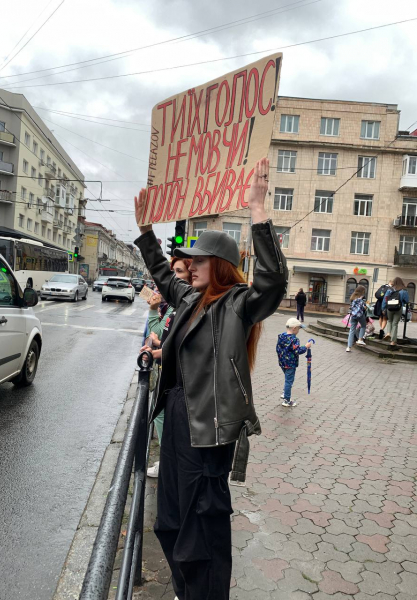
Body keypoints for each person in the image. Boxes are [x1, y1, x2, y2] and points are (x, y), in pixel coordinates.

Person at [134, 158, 287, 600]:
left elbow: (274, 280)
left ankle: (204, 594)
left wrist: (258, 210)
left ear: (220, 264)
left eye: (199, 260)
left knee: (203, 529)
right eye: (190, 259)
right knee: (169, 522)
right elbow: (164, 276)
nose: (190, 265)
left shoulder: (238, 304)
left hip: (209, 431)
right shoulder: (190, 299)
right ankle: (187, 590)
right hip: (180, 417)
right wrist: (146, 231)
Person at [146, 257, 192, 478]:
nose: (173, 277)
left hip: (176, 376)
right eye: (172, 271)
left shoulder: (185, 306)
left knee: (163, 416)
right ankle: (167, 462)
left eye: (179, 271)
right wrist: (159, 345)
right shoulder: (176, 305)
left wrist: (161, 350)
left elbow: (183, 344)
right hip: (169, 372)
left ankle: (167, 463)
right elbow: (165, 337)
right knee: (161, 416)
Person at [276, 317, 311, 407]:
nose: (299, 331)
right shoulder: (294, 339)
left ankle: (285, 393)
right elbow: (298, 351)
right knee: (289, 381)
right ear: (294, 328)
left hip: (282, 363)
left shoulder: (281, 337)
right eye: (299, 328)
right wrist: (306, 346)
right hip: (290, 364)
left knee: (287, 379)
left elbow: (278, 349)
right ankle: (287, 400)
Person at [382, 277, 409, 346]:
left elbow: (385, 299)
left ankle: (388, 333)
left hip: (389, 308)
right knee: (395, 323)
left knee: (389, 321)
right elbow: (406, 301)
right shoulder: (403, 290)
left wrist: (383, 308)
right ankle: (393, 341)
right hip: (398, 308)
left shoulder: (390, 289)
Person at [346, 285, 367, 352]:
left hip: (353, 315)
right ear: (362, 291)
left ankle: (348, 347)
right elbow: (364, 307)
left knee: (352, 330)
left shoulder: (352, 297)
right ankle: (360, 340)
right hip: (360, 315)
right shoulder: (362, 298)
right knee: (363, 326)